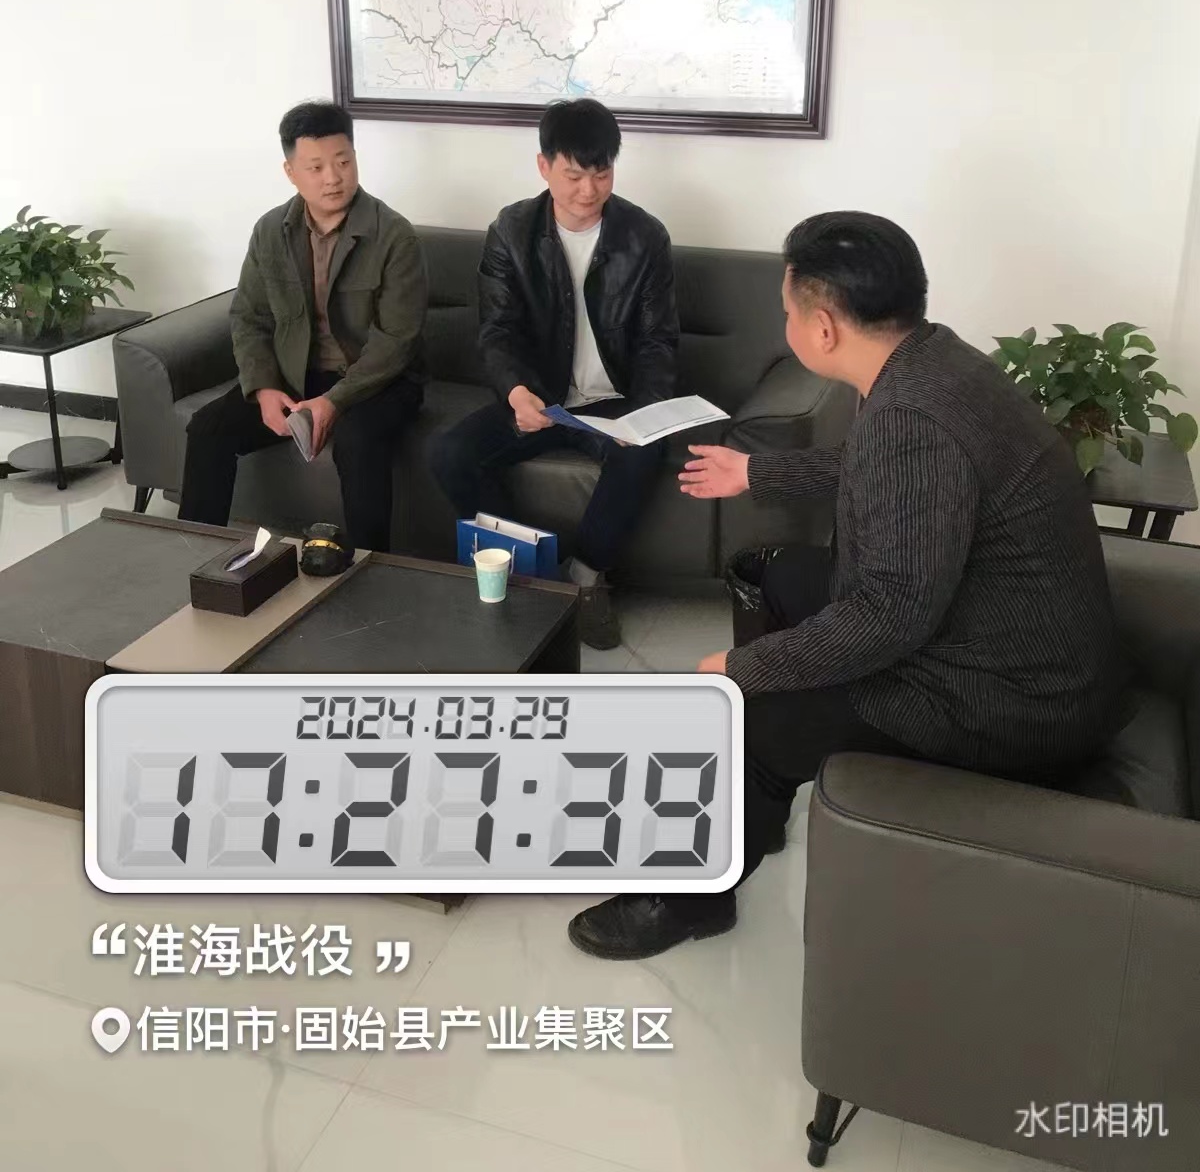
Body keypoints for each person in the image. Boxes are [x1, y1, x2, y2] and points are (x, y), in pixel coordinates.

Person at [567, 211, 1127, 958]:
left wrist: (744, 668)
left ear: (823, 328)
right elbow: (887, 473)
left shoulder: (912, 417)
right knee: (785, 574)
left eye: (787, 311)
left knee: (759, 713)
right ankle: (759, 805)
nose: (786, 324)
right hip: (1000, 639)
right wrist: (757, 471)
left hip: (1013, 700)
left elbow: (891, 615)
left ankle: (694, 897)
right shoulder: (930, 361)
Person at [429, 97, 678, 649]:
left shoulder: (644, 237)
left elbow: (657, 342)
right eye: (573, 175)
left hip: (613, 403)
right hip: (540, 396)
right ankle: (533, 570)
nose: (588, 190)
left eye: (601, 174)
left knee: (644, 450)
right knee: (450, 453)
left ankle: (585, 579)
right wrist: (516, 392)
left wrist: (645, 414)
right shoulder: (512, 230)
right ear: (543, 167)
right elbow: (497, 330)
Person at [178, 101, 427, 552]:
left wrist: (334, 400)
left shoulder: (394, 234)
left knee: (357, 440)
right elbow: (249, 317)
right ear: (291, 172)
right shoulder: (270, 231)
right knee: (208, 428)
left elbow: (395, 341)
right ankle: (194, 558)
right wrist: (263, 388)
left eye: (343, 162)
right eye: (316, 167)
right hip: (296, 375)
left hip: (380, 382)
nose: (333, 177)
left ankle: (371, 568)